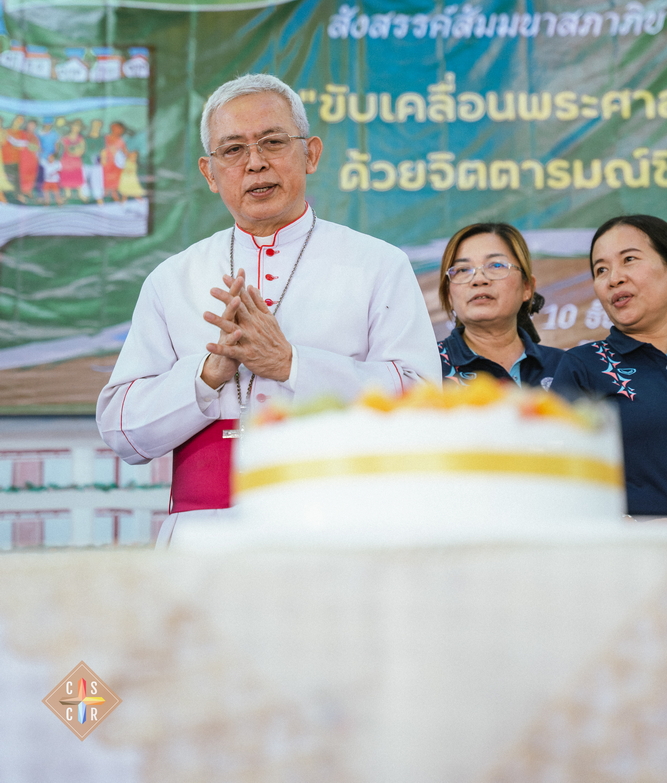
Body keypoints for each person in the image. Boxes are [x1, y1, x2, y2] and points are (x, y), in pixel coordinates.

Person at [97, 73, 441, 543]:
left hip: (339, 535)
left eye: (273, 142)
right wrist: (206, 375)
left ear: (311, 154)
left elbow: (423, 405)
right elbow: (122, 432)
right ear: (209, 173)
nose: (255, 163)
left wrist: (292, 365)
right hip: (203, 543)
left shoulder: (378, 265)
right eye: (233, 150)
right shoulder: (172, 279)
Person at [552, 214, 667, 517]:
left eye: (629, 259)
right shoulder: (583, 366)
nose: (614, 278)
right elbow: (564, 482)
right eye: (601, 269)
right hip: (639, 542)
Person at [437, 222, 563, 388]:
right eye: (462, 270)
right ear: (449, 295)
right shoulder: (427, 367)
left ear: (527, 287)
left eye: (496, 265)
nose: (478, 279)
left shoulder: (565, 366)